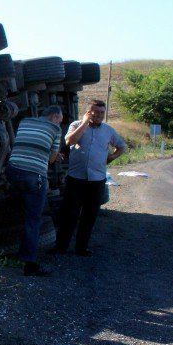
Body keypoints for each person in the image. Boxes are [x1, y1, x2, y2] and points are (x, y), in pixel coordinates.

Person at [54, 99, 125, 256]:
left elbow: (121, 146)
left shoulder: (108, 130)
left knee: (89, 216)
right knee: (69, 214)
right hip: (76, 179)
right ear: (88, 112)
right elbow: (69, 141)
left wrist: (111, 157)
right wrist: (84, 123)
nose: (99, 115)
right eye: (96, 112)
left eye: (102, 112)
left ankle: (81, 248)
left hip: (97, 180)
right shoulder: (76, 125)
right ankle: (61, 247)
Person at [6, 105, 63, 276]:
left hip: (12, 170)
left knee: (19, 211)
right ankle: (29, 264)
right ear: (54, 117)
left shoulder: (25, 121)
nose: (59, 123)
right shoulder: (55, 129)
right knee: (33, 220)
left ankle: (13, 251)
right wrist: (55, 155)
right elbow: (52, 159)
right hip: (34, 177)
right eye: (59, 120)